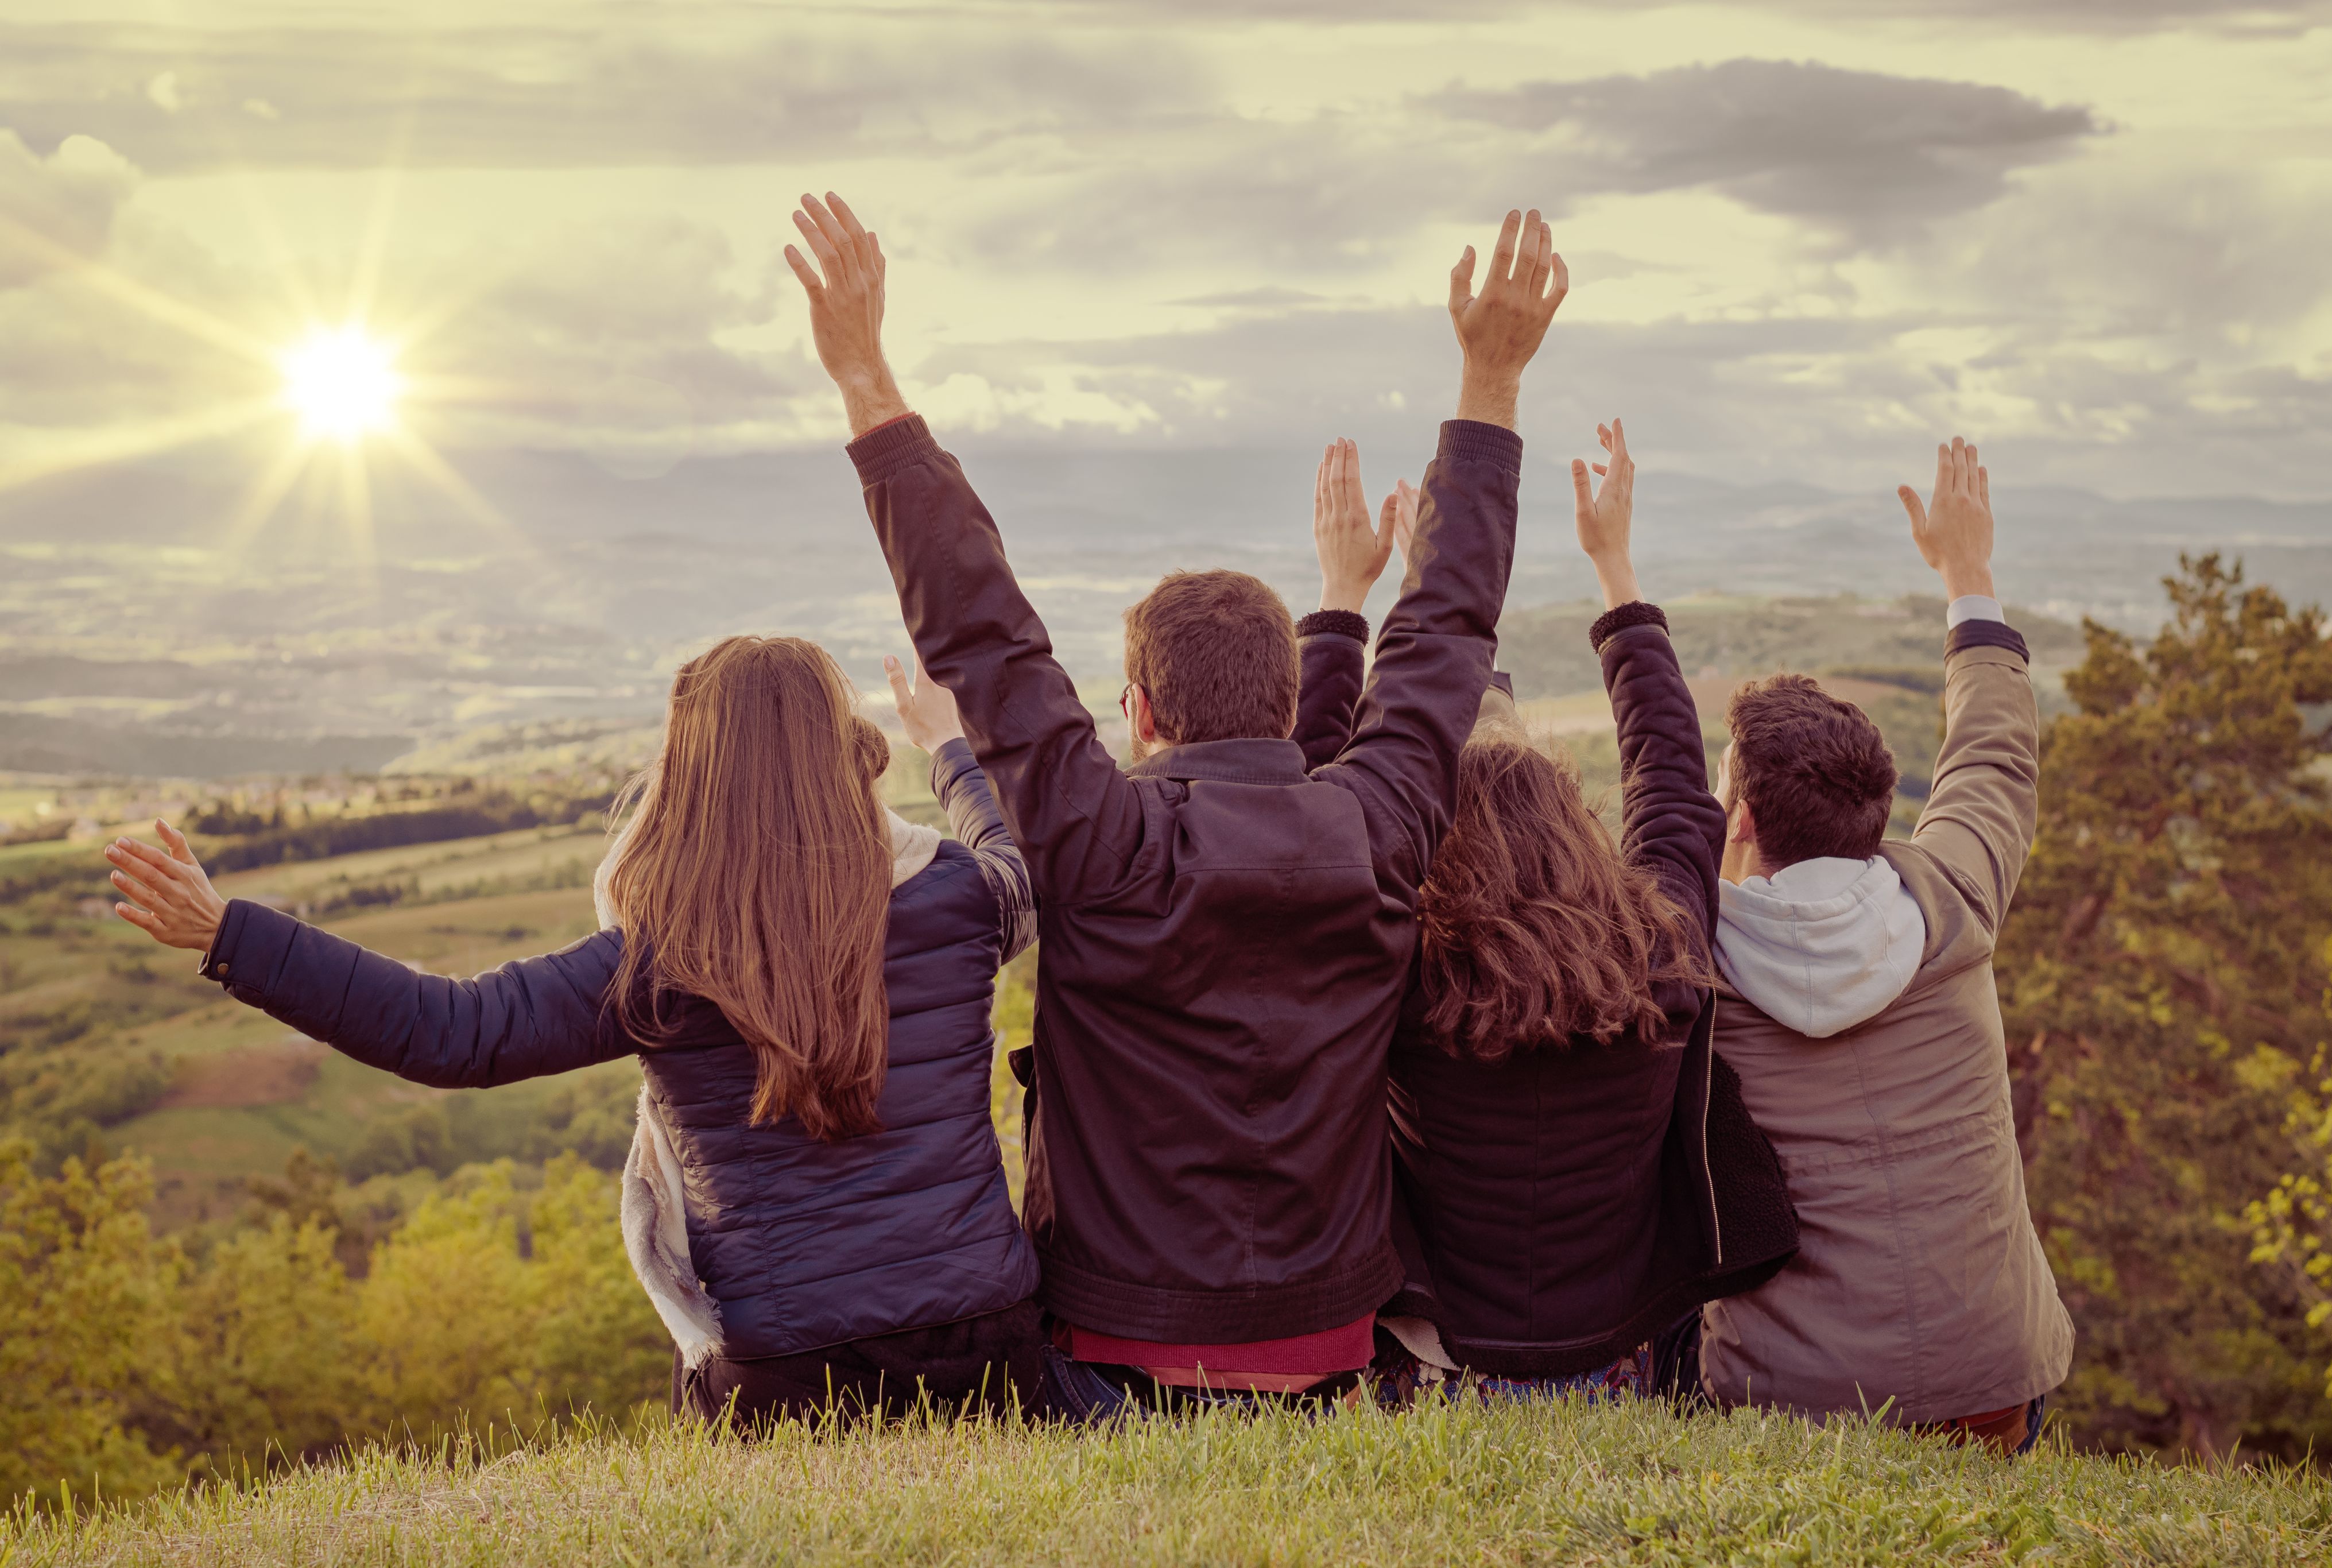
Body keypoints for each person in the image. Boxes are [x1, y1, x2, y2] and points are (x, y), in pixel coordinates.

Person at [782, 191, 1564, 1415]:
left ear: (1139, 714)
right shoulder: (1373, 830)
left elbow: (980, 625)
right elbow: (1451, 625)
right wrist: (1490, 378)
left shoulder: (1103, 842)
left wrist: (865, 375)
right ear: (1289, 695)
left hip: (1115, 1351)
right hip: (1334, 1346)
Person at [104, 635, 1046, 1427]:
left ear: (691, 775)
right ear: (847, 752)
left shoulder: (666, 960)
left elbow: (452, 1033)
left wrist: (230, 934)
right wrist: (949, 748)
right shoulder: (960, 899)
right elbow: (1012, 858)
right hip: (994, 1345)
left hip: (790, 1379)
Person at [1290, 423, 1798, 1403]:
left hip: (1438, 1358)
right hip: (1621, 1358)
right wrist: (1616, 574)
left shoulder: (1400, 972)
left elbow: (1312, 823)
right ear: (1571, 826)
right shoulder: (1662, 951)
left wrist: (1342, 606)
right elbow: (1671, 783)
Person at [1699, 438, 2073, 1456]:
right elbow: (1995, 750)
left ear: (1738, 821)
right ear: (1880, 806)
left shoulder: (1693, 963)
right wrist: (1969, 577)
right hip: (1990, 1381)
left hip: (1790, 1400)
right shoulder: (1955, 891)